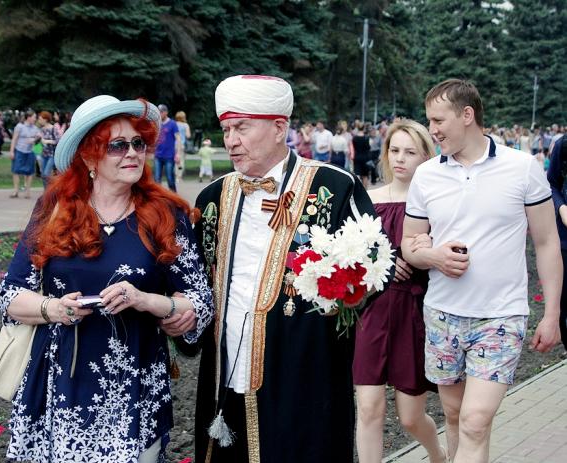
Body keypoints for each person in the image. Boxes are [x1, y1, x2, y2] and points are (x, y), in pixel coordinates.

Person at [0, 95, 214, 462]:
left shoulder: (165, 215)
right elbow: (11, 295)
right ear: (88, 156)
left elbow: (200, 302)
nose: (131, 153)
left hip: (135, 389)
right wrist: (55, 308)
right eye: (116, 145)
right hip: (58, 386)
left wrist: (145, 300)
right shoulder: (55, 208)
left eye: (138, 143)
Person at [183, 75, 387, 463]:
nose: (231, 140)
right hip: (224, 376)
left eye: (242, 127)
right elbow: (194, 281)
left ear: (279, 128)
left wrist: (341, 295)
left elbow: (377, 263)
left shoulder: (332, 186)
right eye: (226, 129)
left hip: (304, 373)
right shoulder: (212, 197)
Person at [401, 79, 562, 463]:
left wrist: (552, 314)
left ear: (467, 115)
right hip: (442, 314)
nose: (432, 129)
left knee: (474, 420)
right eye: (429, 120)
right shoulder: (427, 175)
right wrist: (434, 257)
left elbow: (546, 242)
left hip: (500, 316)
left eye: (438, 120)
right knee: (456, 418)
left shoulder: (522, 168)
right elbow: (410, 243)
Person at [353, 120, 446, 463]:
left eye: (410, 152)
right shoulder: (368, 199)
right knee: (368, 409)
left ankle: (438, 454)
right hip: (373, 311)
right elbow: (351, 253)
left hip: (413, 311)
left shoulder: (435, 204)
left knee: (409, 415)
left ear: (426, 156)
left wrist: (426, 249)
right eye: (394, 151)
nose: (400, 159)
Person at [546, 135, 567, 350]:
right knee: (561, 310)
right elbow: (551, 184)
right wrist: (561, 208)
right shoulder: (563, 145)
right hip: (564, 242)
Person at [9, 109, 41, 198]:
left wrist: (36, 139)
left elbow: (38, 140)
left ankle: (27, 191)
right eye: (34, 117)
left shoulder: (35, 128)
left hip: (30, 152)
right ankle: (16, 191)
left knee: (29, 172)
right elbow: (14, 139)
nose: (35, 119)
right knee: (16, 171)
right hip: (19, 150)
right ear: (29, 117)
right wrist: (11, 151)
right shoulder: (19, 126)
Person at [153, 104, 181, 191]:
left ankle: (174, 196)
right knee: (157, 179)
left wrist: (178, 154)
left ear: (166, 112)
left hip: (169, 155)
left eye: (161, 112)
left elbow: (178, 139)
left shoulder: (172, 124)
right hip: (158, 155)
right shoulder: (156, 124)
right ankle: (158, 198)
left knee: (170, 178)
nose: (159, 114)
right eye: (158, 112)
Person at [37, 111, 59, 188]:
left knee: (46, 174)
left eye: (40, 119)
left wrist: (47, 141)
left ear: (45, 119)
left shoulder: (53, 128)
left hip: (51, 155)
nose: (39, 120)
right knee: (43, 174)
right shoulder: (41, 129)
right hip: (43, 154)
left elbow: (58, 140)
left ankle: (49, 191)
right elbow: (39, 143)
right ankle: (46, 191)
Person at [175, 111, 191, 181]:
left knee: (176, 161)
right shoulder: (185, 125)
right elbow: (188, 136)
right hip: (181, 145)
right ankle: (179, 177)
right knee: (181, 161)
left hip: (173, 145)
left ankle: (176, 176)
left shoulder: (174, 124)